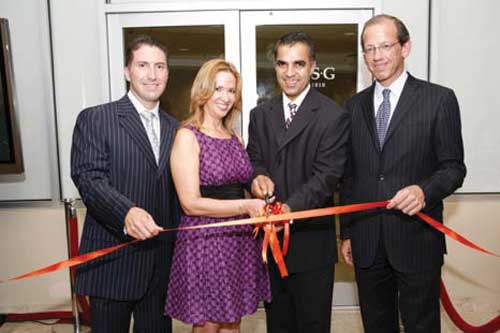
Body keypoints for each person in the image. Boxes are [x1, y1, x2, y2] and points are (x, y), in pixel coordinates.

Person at [339, 14, 466, 333]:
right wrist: (348, 233)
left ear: (405, 47)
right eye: (369, 48)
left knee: (421, 326)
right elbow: (349, 175)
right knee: (376, 325)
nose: (377, 56)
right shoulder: (352, 108)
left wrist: (424, 191)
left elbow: (454, 168)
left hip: (417, 239)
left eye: (385, 46)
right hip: (367, 241)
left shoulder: (439, 99)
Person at [71, 35, 179, 333]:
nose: (153, 74)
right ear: (127, 71)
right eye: (143, 65)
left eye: (160, 66)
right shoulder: (97, 118)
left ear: (168, 73)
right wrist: (126, 212)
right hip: (113, 260)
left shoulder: (177, 128)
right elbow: (88, 178)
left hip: (160, 267)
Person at [247, 31, 350, 333]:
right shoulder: (260, 114)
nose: (289, 73)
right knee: (277, 324)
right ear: (275, 67)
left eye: (298, 64)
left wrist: (288, 209)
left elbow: (327, 177)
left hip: (310, 245)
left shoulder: (333, 116)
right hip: (269, 242)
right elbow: (253, 159)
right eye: (282, 64)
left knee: (312, 325)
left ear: (313, 66)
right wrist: (257, 177)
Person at [165, 58, 271, 333]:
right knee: (209, 323)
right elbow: (190, 203)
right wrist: (246, 205)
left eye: (231, 90)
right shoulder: (188, 136)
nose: (225, 97)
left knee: (233, 319)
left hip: (238, 240)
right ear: (203, 91)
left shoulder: (233, 136)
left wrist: (258, 184)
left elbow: (243, 180)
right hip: (206, 240)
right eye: (219, 89)